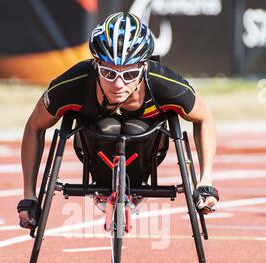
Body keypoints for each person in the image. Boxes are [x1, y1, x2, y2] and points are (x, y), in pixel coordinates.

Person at [18, 11, 219, 229]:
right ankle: (104, 186)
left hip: (146, 155)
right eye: (109, 73)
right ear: (95, 65)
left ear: (144, 67)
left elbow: (204, 118)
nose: (119, 84)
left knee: (134, 127)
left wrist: (205, 179)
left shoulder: (164, 83)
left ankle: (134, 186)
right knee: (108, 125)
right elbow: (34, 126)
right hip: (94, 152)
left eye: (130, 74)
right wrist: (29, 194)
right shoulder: (74, 83)